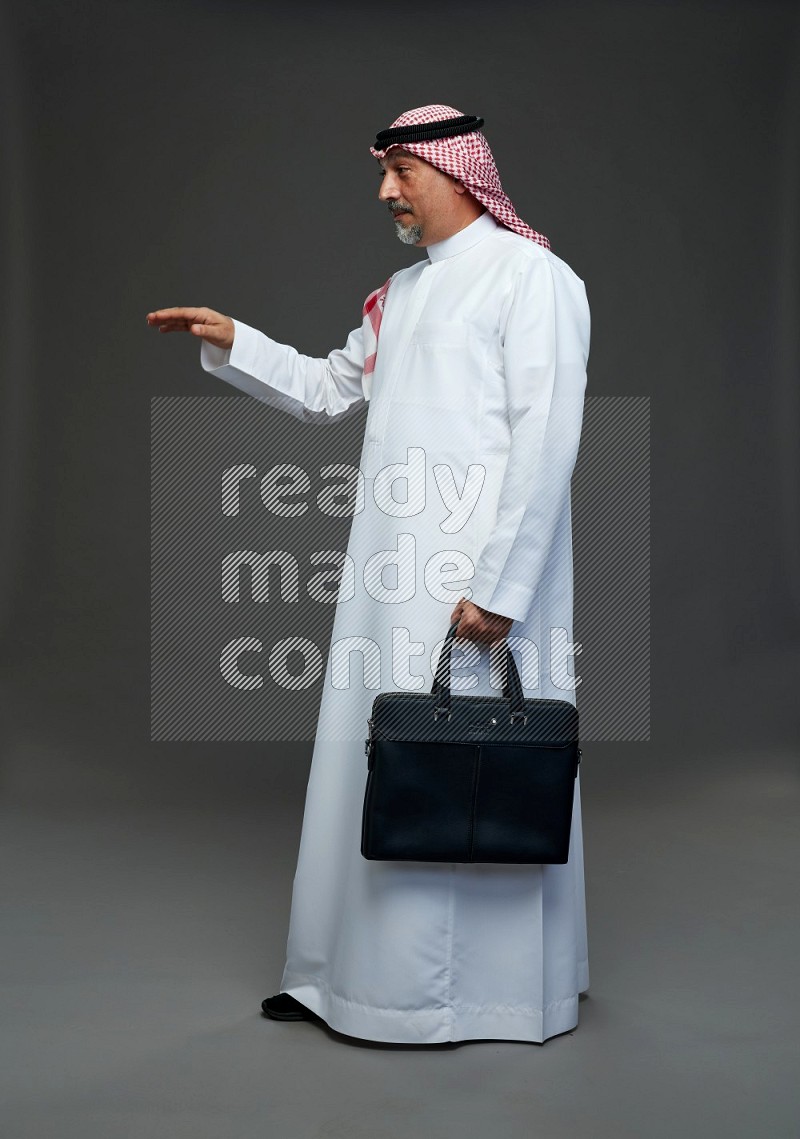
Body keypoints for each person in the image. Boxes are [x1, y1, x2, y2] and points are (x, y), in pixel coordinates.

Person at [147, 103, 591, 1044]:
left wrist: (504, 591)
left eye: (403, 171)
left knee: (475, 767)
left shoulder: (533, 279)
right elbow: (324, 391)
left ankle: (487, 999)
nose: (387, 191)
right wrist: (236, 339)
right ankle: (351, 984)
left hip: (479, 581)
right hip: (390, 576)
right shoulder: (401, 294)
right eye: (382, 173)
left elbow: (546, 440)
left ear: (460, 172)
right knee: (386, 760)